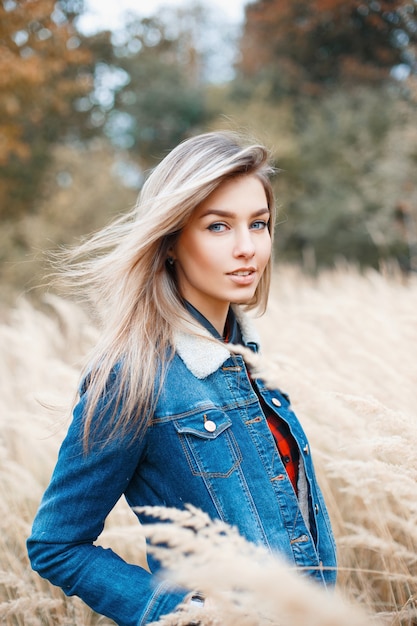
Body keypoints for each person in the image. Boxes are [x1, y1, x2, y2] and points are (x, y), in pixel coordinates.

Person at [27, 131, 337, 626]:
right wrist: (190, 614)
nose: (246, 248)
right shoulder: (133, 377)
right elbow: (55, 544)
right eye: (218, 226)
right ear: (170, 240)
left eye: (258, 224)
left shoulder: (252, 361)